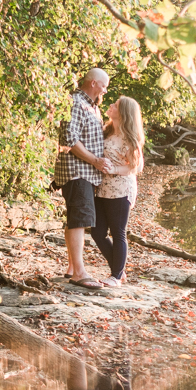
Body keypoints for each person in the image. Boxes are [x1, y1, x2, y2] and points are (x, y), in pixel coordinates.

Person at [53, 68, 111, 289]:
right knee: (80, 219)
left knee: (76, 219)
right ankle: (79, 272)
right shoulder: (77, 102)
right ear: (94, 83)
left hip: (87, 173)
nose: (105, 90)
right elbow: (69, 139)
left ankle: (71, 268)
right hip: (78, 171)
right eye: (104, 85)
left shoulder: (93, 106)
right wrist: (95, 161)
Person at [92, 96, 145, 288]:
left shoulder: (129, 138)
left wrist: (113, 169)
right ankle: (119, 272)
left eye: (115, 105)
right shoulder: (106, 131)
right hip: (102, 188)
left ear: (123, 113)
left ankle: (115, 276)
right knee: (97, 232)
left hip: (121, 189)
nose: (111, 106)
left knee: (118, 232)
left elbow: (136, 167)